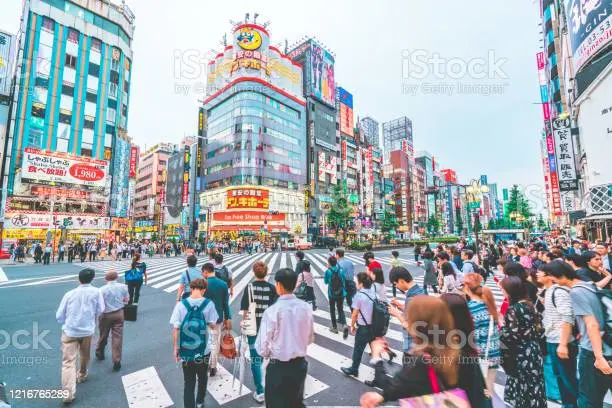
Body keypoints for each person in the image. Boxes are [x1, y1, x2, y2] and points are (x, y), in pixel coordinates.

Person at [359, 296, 488, 408]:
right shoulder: (462, 350)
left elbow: (392, 388)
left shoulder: (422, 362)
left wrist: (376, 357)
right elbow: (476, 390)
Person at [549, 259, 612, 407]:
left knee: (588, 400)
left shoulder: (576, 292)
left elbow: (592, 324)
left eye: (551, 275)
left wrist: (598, 357)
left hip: (593, 353)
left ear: (560, 275)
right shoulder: (588, 285)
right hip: (607, 347)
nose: (550, 279)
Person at [255, 268, 314, 408]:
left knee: (276, 404)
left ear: (279, 285)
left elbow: (262, 347)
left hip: (278, 367)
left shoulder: (272, 311)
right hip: (299, 365)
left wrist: (270, 353)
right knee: (295, 402)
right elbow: (310, 338)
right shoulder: (305, 307)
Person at [56, 269, 105, 404]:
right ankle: (82, 375)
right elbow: (101, 309)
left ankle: (68, 394)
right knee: (84, 355)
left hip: (70, 331)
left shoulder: (69, 294)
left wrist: (67, 321)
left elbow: (59, 315)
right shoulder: (97, 292)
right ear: (92, 279)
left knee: (68, 362)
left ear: (78, 279)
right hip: (87, 330)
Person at [170, 278, 218, 408]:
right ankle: (200, 402)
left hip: (186, 350)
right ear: (204, 290)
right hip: (204, 350)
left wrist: (175, 349)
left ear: (191, 289)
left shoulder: (181, 305)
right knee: (202, 377)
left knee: (189, 381)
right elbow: (213, 325)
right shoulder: (209, 304)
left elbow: (176, 329)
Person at [536, 261, 578, 408]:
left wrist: (563, 344)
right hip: (552, 339)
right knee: (561, 377)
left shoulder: (558, 291)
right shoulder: (549, 292)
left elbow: (567, 317)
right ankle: (568, 404)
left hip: (560, 340)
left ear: (551, 276)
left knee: (568, 378)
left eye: (540, 272)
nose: (537, 273)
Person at [500, 276, 546, 408]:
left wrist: (502, 329)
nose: (502, 292)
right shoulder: (529, 305)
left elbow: (511, 335)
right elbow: (540, 330)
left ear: (510, 291)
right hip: (534, 349)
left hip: (520, 352)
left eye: (503, 290)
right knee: (535, 384)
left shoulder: (513, 309)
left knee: (522, 384)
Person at [240, 261, 278, 403]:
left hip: (253, 328)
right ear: (266, 272)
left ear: (253, 272)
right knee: (270, 359)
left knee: (255, 359)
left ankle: (260, 391)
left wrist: (244, 323)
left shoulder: (249, 288)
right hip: (268, 328)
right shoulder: (272, 288)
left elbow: (245, 312)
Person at [463, 272, 501, 398]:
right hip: (493, 352)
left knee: (480, 393)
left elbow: (473, 336)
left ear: (467, 287)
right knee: (489, 390)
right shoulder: (489, 303)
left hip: (480, 356)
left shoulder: (471, 308)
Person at [341, 272, 376, 378]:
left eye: (357, 282)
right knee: (375, 350)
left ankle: (354, 369)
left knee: (358, 349)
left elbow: (355, 313)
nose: (356, 284)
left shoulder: (359, 296)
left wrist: (352, 325)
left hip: (364, 328)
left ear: (361, 284)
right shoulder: (374, 293)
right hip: (374, 327)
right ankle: (379, 374)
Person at [201, 262, 231, 377]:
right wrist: (228, 317)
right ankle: (213, 366)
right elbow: (225, 304)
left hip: (204, 317)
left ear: (206, 271)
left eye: (203, 272)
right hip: (217, 317)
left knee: (204, 340)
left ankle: (203, 364)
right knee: (215, 341)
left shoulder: (203, 284)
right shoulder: (223, 284)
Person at [388, 267, 423, 364]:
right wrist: (401, 307)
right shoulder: (420, 292)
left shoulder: (412, 298)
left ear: (401, 280)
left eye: (396, 284)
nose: (397, 287)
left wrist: (397, 314)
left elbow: (412, 326)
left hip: (412, 348)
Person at [95, 270, 128, 372]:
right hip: (119, 313)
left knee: (103, 335)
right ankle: (116, 360)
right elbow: (126, 300)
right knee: (117, 337)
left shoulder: (101, 290)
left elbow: (99, 304)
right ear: (117, 277)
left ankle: (100, 352)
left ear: (106, 279)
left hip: (106, 314)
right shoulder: (123, 287)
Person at [324, 256, 347, 337]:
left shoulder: (328, 271)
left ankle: (334, 327)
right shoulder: (341, 270)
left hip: (332, 294)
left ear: (329, 263)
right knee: (340, 309)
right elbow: (344, 280)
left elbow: (326, 282)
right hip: (341, 293)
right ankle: (344, 325)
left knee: (332, 310)